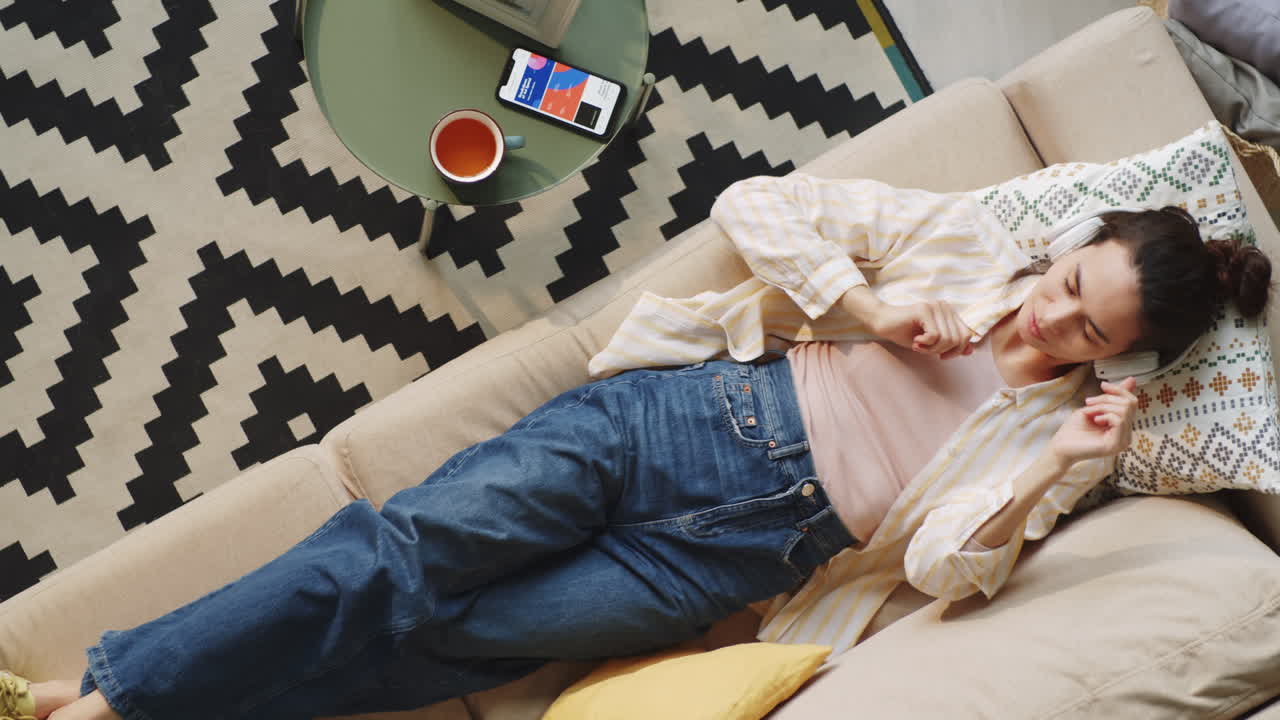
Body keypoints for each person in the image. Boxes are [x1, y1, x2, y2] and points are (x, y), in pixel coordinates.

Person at [9, 175, 1273, 720]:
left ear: (1118, 353)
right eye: (1062, 277)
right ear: (1061, 247)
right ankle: (118, 698)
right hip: (674, 430)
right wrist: (873, 308)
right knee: (401, 563)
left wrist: (1052, 471)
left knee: (443, 646)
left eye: (1084, 323)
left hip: (726, 563)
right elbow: (759, 208)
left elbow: (943, 573)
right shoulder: (953, 243)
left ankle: (134, 695)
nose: (1046, 313)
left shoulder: (1067, 439)